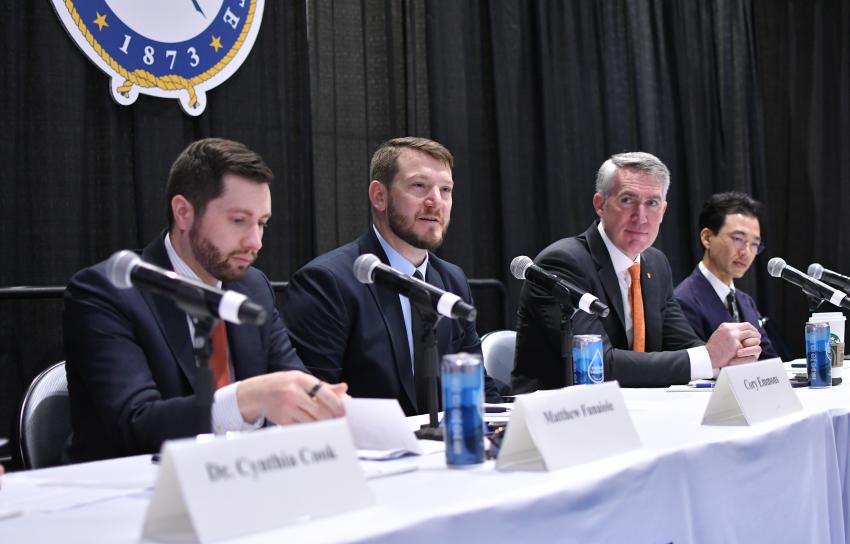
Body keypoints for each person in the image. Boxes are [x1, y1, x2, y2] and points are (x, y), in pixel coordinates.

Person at [64, 138, 346, 463]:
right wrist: (245, 399)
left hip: (246, 481)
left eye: (262, 223)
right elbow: (134, 425)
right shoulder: (106, 292)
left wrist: (321, 402)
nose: (255, 241)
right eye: (238, 220)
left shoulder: (251, 287)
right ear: (184, 212)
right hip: (133, 496)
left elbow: (294, 383)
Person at [282, 137, 501, 416]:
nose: (435, 201)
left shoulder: (452, 280)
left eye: (445, 189)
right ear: (379, 196)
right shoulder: (327, 282)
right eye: (419, 186)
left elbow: (478, 387)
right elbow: (316, 401)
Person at [512, 152, 762, 393]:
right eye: (627, 200)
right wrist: (708, 358)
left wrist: (728, 357)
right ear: (600, 204)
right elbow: (598, 365)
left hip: (637, 410)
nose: (640, 217)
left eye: (652, 203)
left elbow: (684, 344)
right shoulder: (563, 263)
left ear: (663, 211)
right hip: (560, 416)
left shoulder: (655, 263)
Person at [674, 192, 778, 359]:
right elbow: (695, 368)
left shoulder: (745, 301)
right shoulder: (682, 301)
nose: (746, 252)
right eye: (738, 239)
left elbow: (769, 359)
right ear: (707, 238)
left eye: (755, 244)